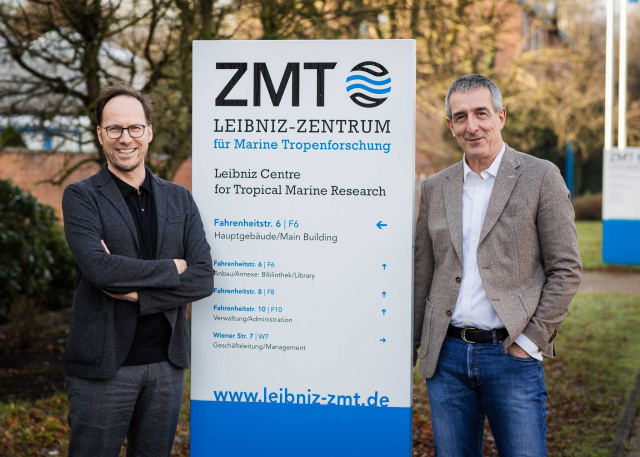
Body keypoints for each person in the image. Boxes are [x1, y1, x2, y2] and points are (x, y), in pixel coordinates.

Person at [413, 74, 582, 456]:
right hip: (448, 359)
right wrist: (416, 348)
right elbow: (423, 272)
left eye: (481, 113)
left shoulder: (540, 177)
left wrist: (530, 341)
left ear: (501, 116)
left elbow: (566, 269)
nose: (472, 125)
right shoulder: (436, 187)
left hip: (511, 355)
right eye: (460, 117)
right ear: (450, 125)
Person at [62, 83, 214, 456]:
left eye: (134, 128)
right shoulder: (82, 196)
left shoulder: (179, 198)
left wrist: (136, 292)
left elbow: (203, 277)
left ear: (149, 132)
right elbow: (101, 270)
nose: (124, 138)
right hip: (103, 367)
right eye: (114, 129)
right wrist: (172, 268)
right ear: (100, 135)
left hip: (167, 366)